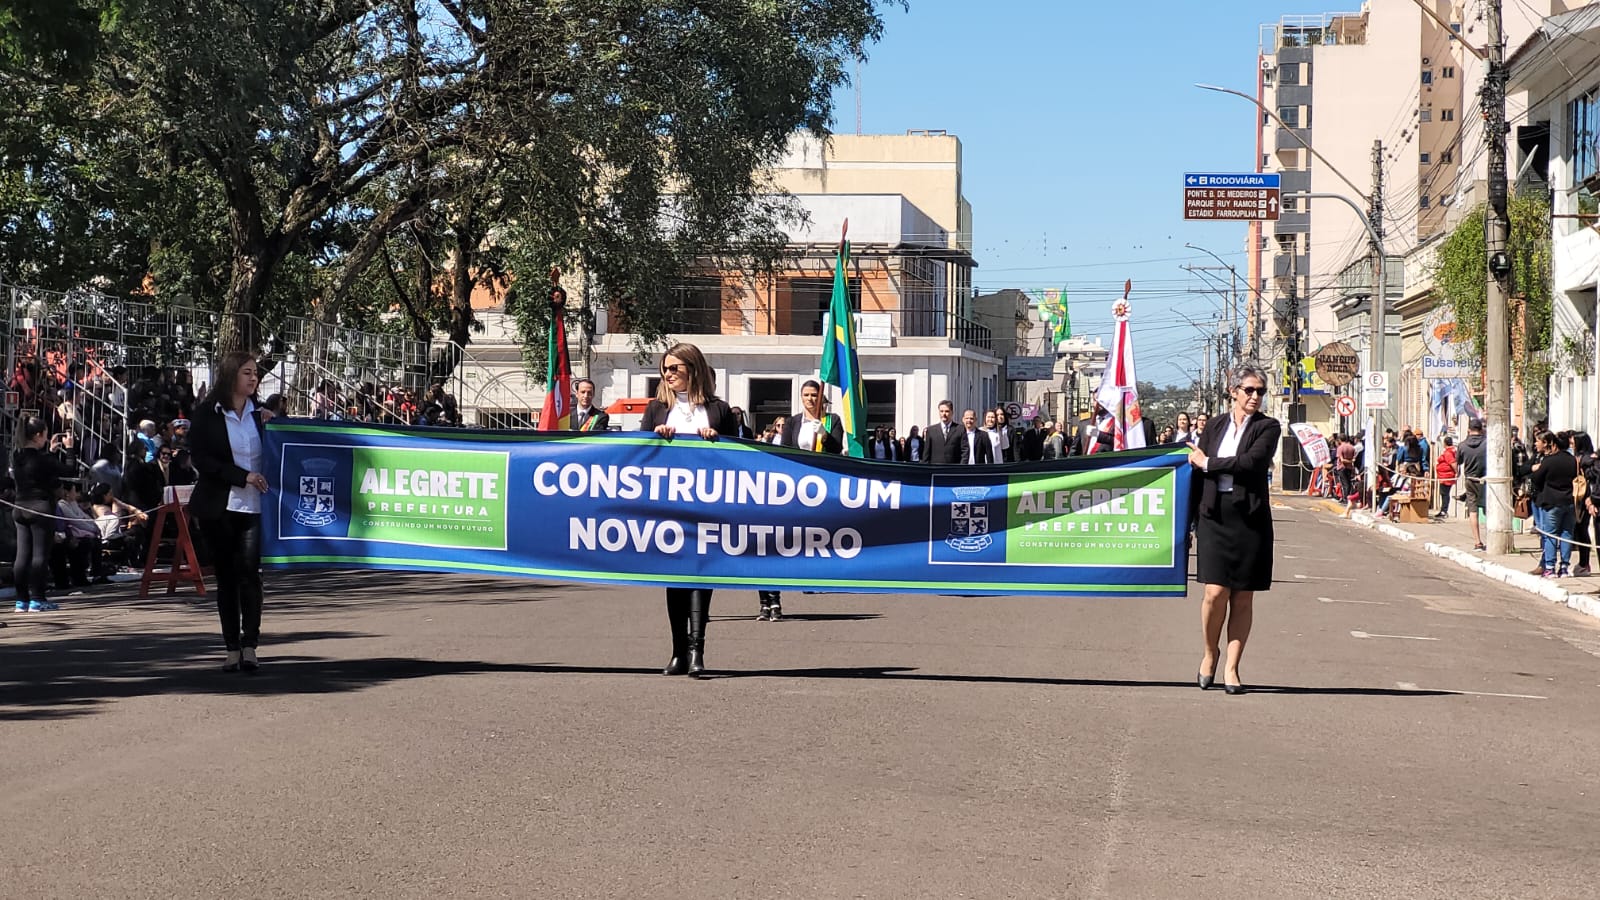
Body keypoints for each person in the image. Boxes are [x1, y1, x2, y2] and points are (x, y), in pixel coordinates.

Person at [641, 343, 738, 677]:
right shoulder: (656, 409)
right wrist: (656, 437)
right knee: (675, 577)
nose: (668, 374)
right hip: (669, 506)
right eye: (665, 369)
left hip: (707, 506)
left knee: (701, 574)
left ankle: (697, 650)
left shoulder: (719, 410)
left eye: (675, 368)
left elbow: (740, 457)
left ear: (693, 370)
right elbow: (637, 456)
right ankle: (678, 651)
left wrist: (717, 439)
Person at [1187, 367, 1280, 696]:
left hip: (1249, 518)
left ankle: (1232, 667)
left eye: (1260, 391)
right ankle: (1210, 653)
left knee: (1242, 596)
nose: (1255, 396)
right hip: (1214, 515)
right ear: (1234, 391)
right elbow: (1195, 471)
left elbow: (1251, 463)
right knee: (1215, 593)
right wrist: (1188, 522)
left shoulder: (1268, 427)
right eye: (1249, 390)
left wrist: (1209, 463)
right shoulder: (1214, 426)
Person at [189, 351, 273, 673]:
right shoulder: (207, 414)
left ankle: (250, 644)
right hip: (219, 506)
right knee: (226, 578)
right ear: (231, 375)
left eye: (255, 373)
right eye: (246, 372)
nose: (253, 378)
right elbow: (202, 459)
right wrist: (242, 476)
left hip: (254, 507)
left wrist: (275, 427)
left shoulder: (260, 415)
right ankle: (231, 648)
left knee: (250, 574)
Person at [770, 380, 846, 621]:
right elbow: (784, 452)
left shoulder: (832, 421)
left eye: (814, 395)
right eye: (806, 395)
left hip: (822, 483)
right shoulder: (793, 422)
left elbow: (837, 450)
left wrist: (824, 435)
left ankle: (815, 574)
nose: (811, 399)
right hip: (796, 484)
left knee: (818, 532)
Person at [11, 417, 72, 612]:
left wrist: (50, 452)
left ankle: (21, 600)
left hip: (20, 506)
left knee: (22, 555)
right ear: (38, 435)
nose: (46, 439)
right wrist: (69, 449)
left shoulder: (17, 455)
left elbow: (36, 468)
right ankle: (38, 598)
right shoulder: (43, 459)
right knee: (40, 554)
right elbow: (69, 470)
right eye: (45, 435)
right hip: (40, 507)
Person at [1530, 430, 1576, 579]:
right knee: (1566, 534)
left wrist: (1536, 471)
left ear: (1554, 444)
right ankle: (1564, 567)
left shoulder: (1549, 461)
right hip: (1569, 501)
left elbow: (1536, 479)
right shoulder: (1573, 460)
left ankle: (1550, 567)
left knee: (1550, 535)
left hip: (1551, 502)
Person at [924, 400, 962, 464]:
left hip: (954, 468)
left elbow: (964, 451)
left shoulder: (960, 429)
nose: (944, 414)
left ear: (952, 412)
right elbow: (926, 454)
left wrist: (961, 467)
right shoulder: (931, 430)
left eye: (947, 411)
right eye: (941, 411)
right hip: (936, 467)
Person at [1434, 437, 1458, 521]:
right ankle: (1443, 510)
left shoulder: (1448, 452)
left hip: (1446, 476)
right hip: (1444, 476)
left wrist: (1456, 472)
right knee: (1443, 493)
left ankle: (1444, 511)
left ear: (1445, 443)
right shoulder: (1451, 451)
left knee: (1444, 493)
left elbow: (1453, 463)